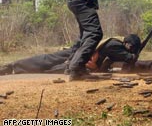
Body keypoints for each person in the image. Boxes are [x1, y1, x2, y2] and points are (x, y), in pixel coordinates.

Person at [0, 34, 141, 76]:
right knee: (50, 66)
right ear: (128, 45)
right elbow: (129, 58)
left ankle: (14, 67)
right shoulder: (115, 45)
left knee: (47, 60)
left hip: (78, 52)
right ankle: (13, 68)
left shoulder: (114, 41)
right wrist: (135, 55)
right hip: (80, 56)